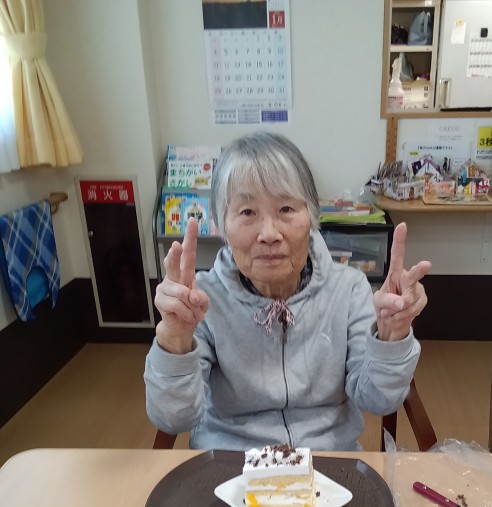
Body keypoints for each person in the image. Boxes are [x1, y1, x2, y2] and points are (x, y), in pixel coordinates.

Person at [144, 131, 430, 451]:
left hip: (327, 462)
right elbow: (173, 418)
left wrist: (392, 337)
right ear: (221, 225)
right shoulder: (202, 301)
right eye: (247, 212)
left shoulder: (348, 289)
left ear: (312, 217)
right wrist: (174, 340)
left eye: (286, 209)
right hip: (232, 464)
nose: (269, 234)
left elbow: (379, 400)